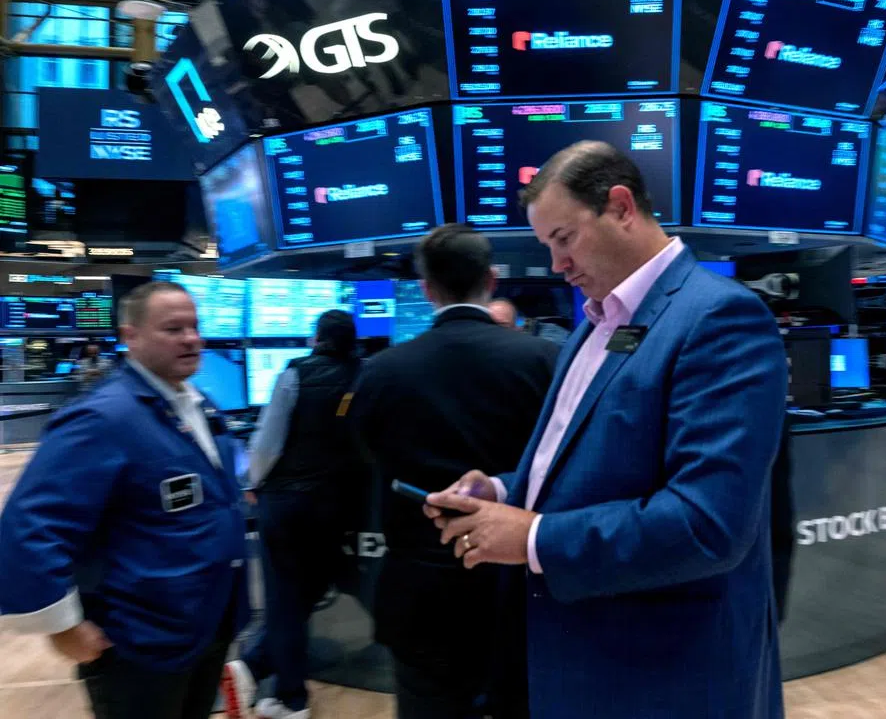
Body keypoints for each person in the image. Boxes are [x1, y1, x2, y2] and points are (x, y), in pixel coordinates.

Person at [426, 141, 788, 719]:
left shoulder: (718, 317)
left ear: (620, 206)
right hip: (579, 657)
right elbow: (587, 467)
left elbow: (708, 524)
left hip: (662, 673)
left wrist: (533, 538)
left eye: (563, 238)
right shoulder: (592, 326)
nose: (556, 265)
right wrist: (500, 490)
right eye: (548, 246)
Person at [0, 281, 248, 719]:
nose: (191, 339)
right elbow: (29, 526)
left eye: (194, 326)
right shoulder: (102, 418)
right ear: (130, 336)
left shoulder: (196, 403)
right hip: (140, 642)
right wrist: (62, 625)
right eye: (173, 329)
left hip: (204, 625)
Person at [346, 224, 559, 719]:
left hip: (420, 595)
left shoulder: (382, 370)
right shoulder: (544, 359)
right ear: (492, 279)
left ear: (425, 288)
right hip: (518, 587)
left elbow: (364, 453)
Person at [222, 310, 361, 719]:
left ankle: (289, 696)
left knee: (284, 599)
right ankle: (252, 666)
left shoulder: (295, 373)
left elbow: (268, 442)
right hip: (337, 503)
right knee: (307, 593)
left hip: (288, 503)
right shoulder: (366, 375)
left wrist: (250, 480)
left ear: (317, 338)